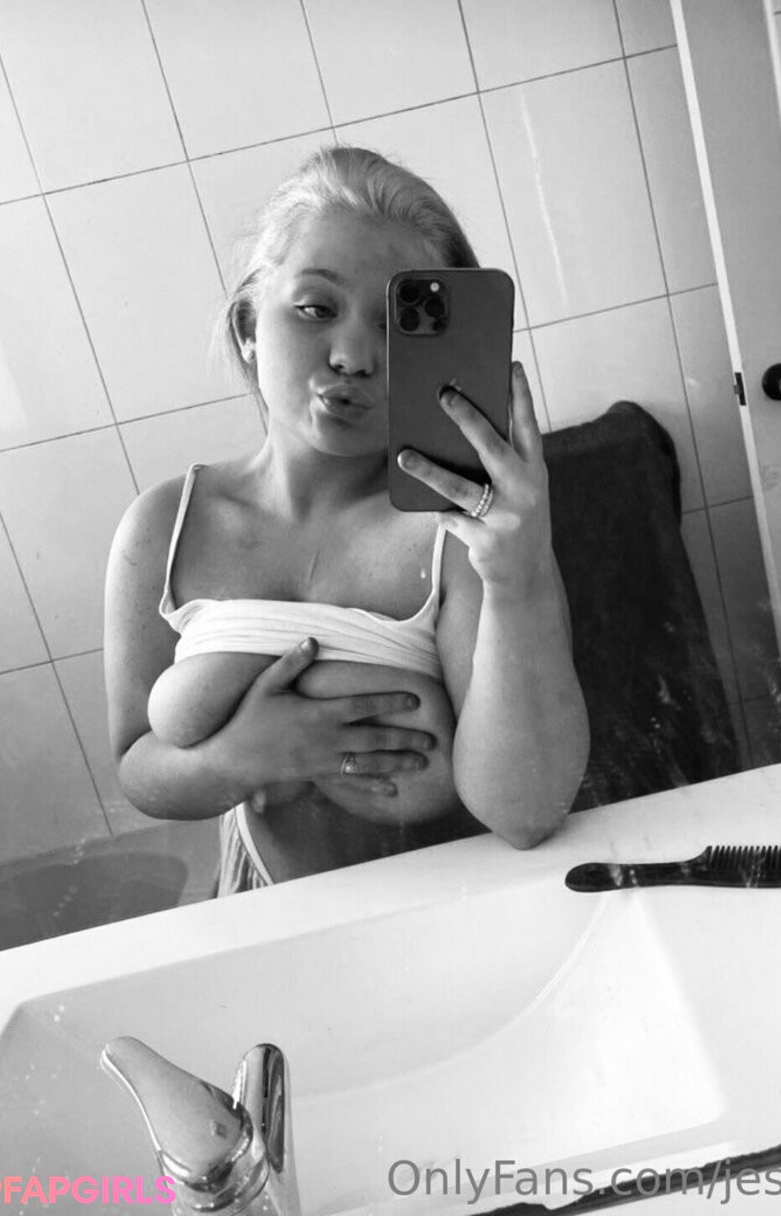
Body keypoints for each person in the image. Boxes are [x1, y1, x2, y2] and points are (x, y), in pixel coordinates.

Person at [103, 146, 589, 893]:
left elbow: (526, 814)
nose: (355, 355)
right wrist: (247, 757)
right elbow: (138, 765)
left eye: (400, 326)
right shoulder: (163, 527)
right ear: (248, 325)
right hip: (264, 913)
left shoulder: (464, 531)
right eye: (316, 309)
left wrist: (518, 576)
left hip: (459, 916)